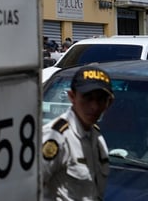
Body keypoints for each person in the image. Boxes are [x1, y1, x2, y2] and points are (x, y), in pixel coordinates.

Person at [42, 65, 113, 201]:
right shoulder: (57, 138)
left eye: (101, 99)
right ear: (72, 97)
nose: (94, 106)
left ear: (108, 103)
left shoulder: (97, 140)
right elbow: (32, 189)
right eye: (88, 98)